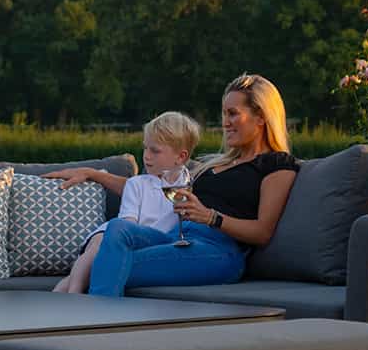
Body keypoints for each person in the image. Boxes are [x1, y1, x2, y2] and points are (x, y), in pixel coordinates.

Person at [49, 74, 299, 298]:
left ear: (261, 117)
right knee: (118, 228)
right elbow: (150, 188)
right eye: (224, 114)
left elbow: (262, 232)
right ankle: (97, 316)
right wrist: (94, 174)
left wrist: (211, 217)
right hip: (176, 238)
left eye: (233, 113)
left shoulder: (276, 164)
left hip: (218, 250)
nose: (225, 122)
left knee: (106, 264)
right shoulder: (216, 163)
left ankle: (98, 322)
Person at [52, 110, 200, 294]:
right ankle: (73, 294)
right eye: (145, 148)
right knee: (97, 246)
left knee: (97, 266)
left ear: (181, 157)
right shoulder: (136, 184)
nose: (146, 156)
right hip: (124, 237)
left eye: (155, 150)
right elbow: (126, 226)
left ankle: (68, 296)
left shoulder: (193, 184)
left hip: (158, 242)